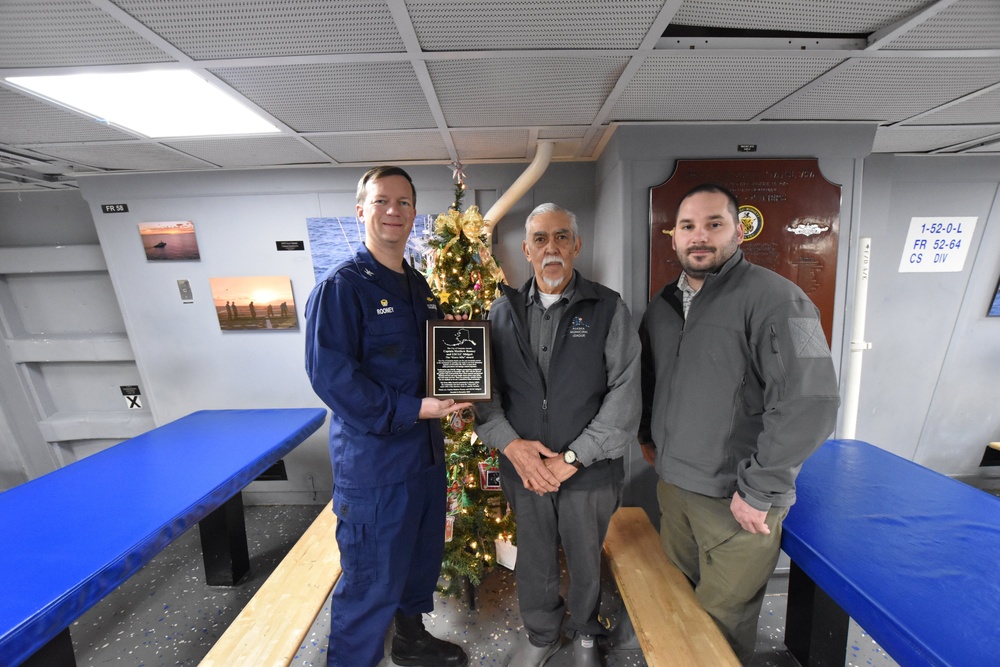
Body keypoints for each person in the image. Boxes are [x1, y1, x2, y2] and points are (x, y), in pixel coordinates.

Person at [638, 183, 840, 664]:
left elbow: (812, 400)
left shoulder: (781, 301)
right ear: (674, 237)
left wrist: (761, 489)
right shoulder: (663, 306)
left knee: (719, 626)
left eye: (714, 224)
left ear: (738, 231)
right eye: (688, 226)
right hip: (676, 489)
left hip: (739, 500)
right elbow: (653, 381)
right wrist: (648, 436)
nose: (699, 236)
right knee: (678, 609)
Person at [305, 166, 470, 667]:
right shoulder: (342, 288)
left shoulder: (417, 287)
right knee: (370, 582)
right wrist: (414, 408)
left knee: (419, 564)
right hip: (375, 468)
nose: (393, 210)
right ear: (361, 211)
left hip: (423, 459)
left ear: (414, 214)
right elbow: (333, 379)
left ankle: (410, 642)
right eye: (381, 201)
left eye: (403, 202)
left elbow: (431, 363)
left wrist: (460, 356)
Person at [475, 203, 641, 667]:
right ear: (526, 250)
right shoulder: (500, 313)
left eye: (562, 237)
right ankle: (543, 632)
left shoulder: (608, 308)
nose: (552, 248)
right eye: (541, 239)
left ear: (577, 246)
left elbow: (625, 396)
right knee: (534, 557)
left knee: (587, 557)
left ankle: (585, 632)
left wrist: (570, 460)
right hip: (523, 469)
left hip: (589, 470)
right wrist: (514, 448)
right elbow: (487, 400)